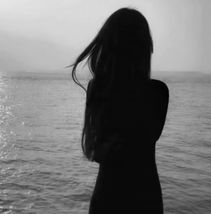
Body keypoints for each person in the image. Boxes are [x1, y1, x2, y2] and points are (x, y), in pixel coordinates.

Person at [71, 7, 169, 214]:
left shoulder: (99, 89)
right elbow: (147, 138)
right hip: (146, 198)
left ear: (106, 48)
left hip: (107, 196)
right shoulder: (157, 92)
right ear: (144, 48)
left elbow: (94, 151)